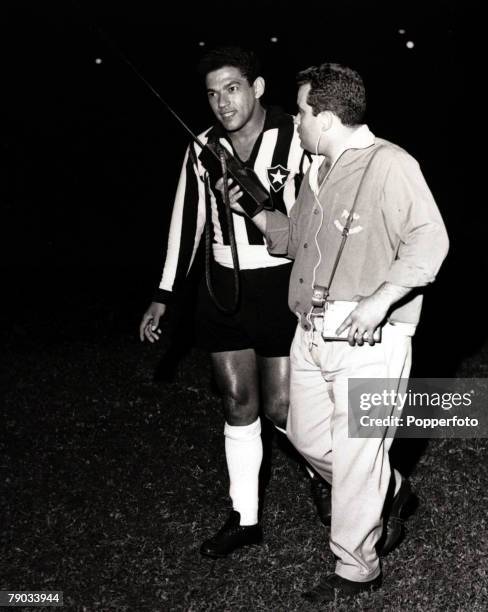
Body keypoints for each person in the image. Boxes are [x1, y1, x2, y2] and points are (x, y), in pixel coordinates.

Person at [228, 63, 449, 602]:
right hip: (310, 330)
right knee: (305, 437)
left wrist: (378, 302)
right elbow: (296, 238)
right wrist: (254, 211)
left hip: (368, 333)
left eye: (300, 113)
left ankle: (357, 567)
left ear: (325, 117)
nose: (294, 122)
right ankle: (387, 488)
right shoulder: (315, 170)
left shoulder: (392, 165)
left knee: (355, 453)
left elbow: (430, 242)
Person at [138, 46, 330, 558]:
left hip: (282, 285)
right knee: (237, 403)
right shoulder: (201, 146)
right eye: (212, 93)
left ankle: (327, 476)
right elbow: (187, 224)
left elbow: (320, 216)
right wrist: (164, 296)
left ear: (257, 87)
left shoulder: (297, 136)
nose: (223, 103)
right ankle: (244, 518)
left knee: (286, 406)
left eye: (232, 88)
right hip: (221, 290)